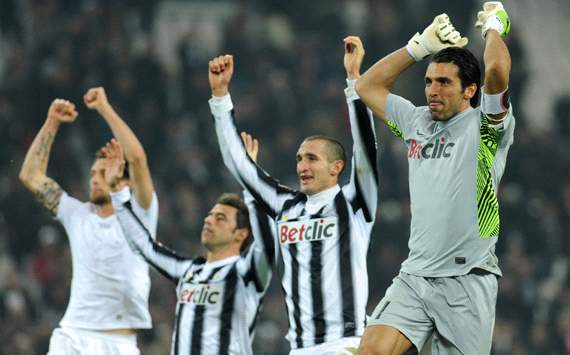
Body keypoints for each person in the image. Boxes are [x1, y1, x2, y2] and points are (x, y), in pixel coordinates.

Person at [355, 3, 514, 354]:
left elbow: (498, 72)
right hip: (415, 276)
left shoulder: (485, 127)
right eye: (429, 81)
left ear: (470, 91)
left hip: (467, 280)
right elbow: (367, 87)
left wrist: (493, 29)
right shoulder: (417, 122)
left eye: (444, 82)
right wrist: (419, 48)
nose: (432, 90)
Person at [209, 36, 379, 354]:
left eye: (312, 158)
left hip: (344, 344)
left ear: (336, 167)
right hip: (299, 348)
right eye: (300, 158)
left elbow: (367, 149)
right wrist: (220, 98)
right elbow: (238, 165)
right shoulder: (286, 205)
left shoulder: (353, 202)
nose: (302, 165)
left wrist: (354, 81)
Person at [102, 139, 275, 355]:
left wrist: (250, 178)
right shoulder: (188, 271)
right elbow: (144, 246)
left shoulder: (245, 273)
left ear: (241, 234)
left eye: (220, 218)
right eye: (209, 216)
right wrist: (118, 194)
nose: (209, 221)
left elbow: (267, 245)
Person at [19, 87, 158, 354]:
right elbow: (31, 176)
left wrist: (104, 108)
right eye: (93, 172)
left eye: (103, 172)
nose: (94, 178)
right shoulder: (77, 214)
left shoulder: (140, 215)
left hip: (119, 344)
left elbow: (138, 159)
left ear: (124, 181)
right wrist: (52, 122)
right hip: (73, 335)